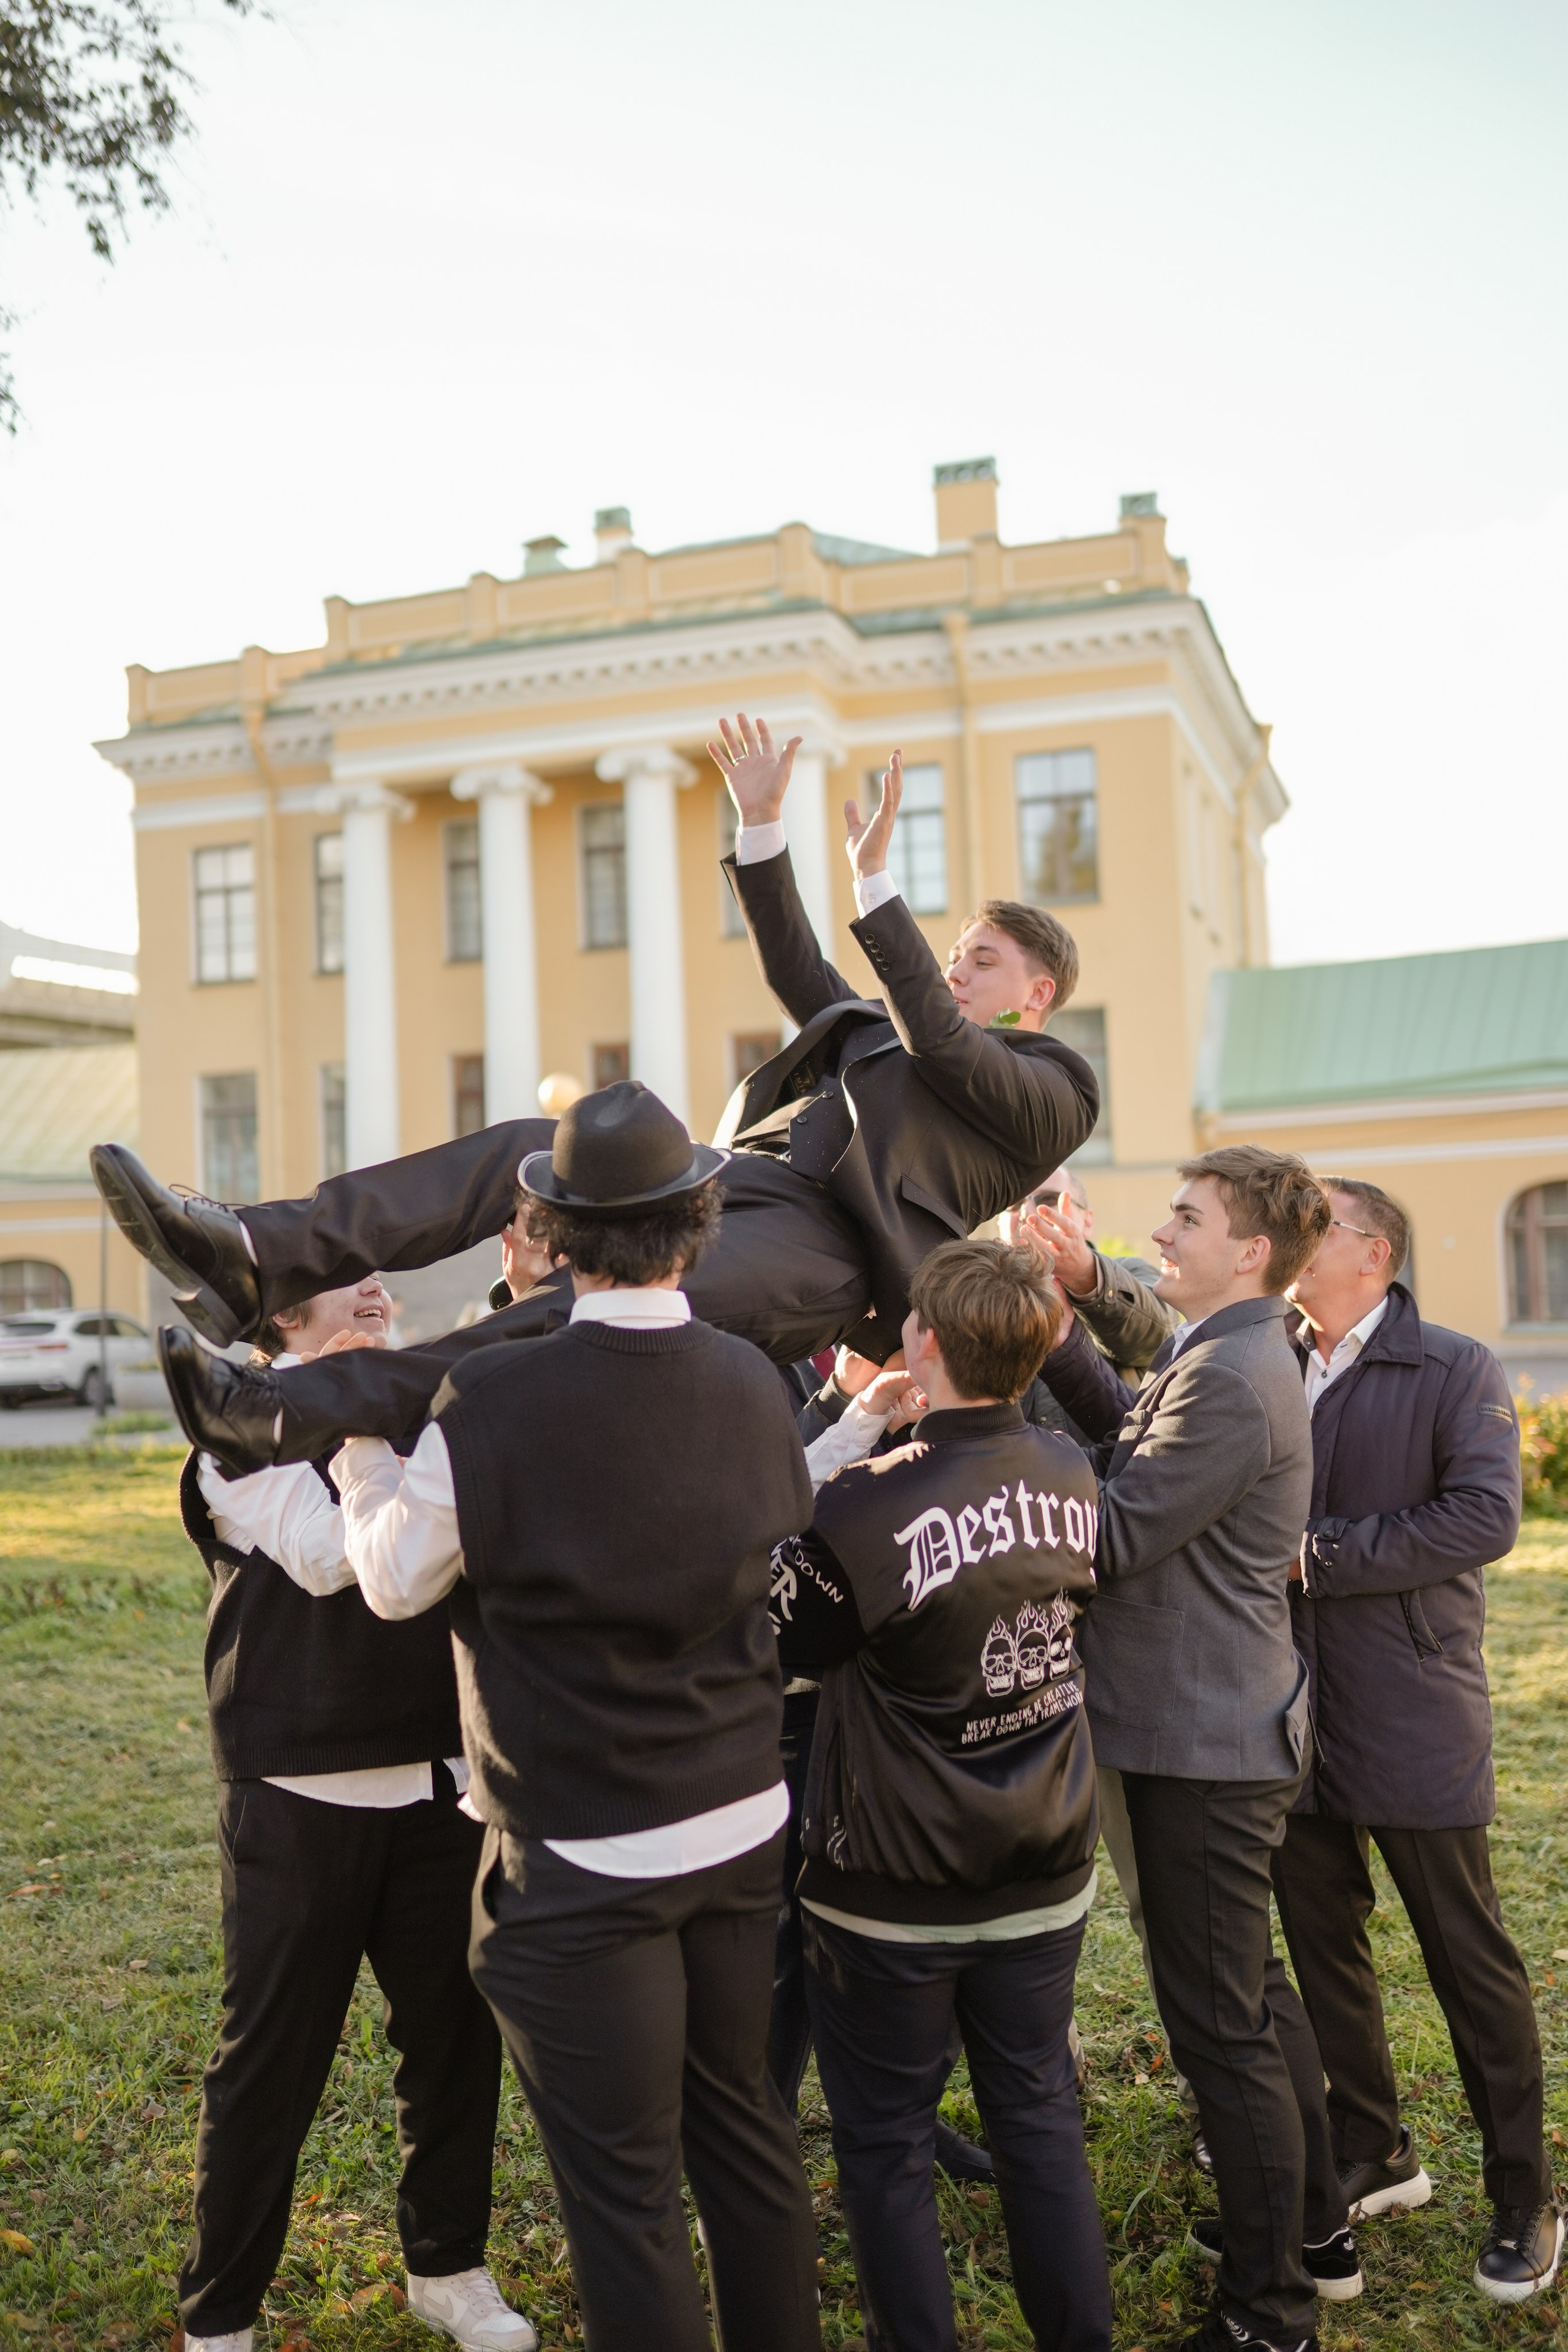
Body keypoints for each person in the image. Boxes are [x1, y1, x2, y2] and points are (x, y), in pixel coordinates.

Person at [91, 713, 1099, 1476]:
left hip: (830, 1251)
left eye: (983, 959)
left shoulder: (1057, 1087)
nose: (958, 971)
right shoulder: (889, 1037)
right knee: (538, 1148)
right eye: (958, 955)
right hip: (734, 1178)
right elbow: (804, 977)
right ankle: (253, 1255)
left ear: (1038, 992)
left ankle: (282, 1411)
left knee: (589, 1308)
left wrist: (875, 884)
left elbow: (946, 1039)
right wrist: (761, 829)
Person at [328, 1081, 821, 2352]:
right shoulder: (758, 1381)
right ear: (697, 1225)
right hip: (737, 1817)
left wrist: (357, 1454)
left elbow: (390, 1579)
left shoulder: (491, 1401)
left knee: (623, 2192)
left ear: (547, 1235)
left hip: (582, 1849)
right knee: (746, 2141)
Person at [175, 1275, 527, 2352]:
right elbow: (344, 1561)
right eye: (342, 1273)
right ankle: (221, 2314)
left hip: (438, 1787)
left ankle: (448, 2268)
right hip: (296, 1795)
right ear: (279, 1317)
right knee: (270, 2063)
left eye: (378, 1269)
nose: (375, 1285)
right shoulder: (234, 1438)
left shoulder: (427, 1410)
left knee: (455, 2047)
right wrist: (376, 1437)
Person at [772, 1238, 1112, 2352]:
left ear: (923, 1341)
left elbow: (785, 1637)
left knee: (883, 2143)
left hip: (893, 1884)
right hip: (1044, 1855)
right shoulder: (1071, 1470)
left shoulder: (866, 1507)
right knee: (1038, 2122)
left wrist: (855, 1433)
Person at [1039, 1146, 1352, 2352]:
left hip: (1200, 1742)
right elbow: (1133, 1443)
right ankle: (1310, 2231)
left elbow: (1115, 1533)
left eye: (1183, 1218)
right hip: (1209, 1724)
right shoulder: (1214, 1347)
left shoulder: (1228, 1373)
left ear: (1250, 1251)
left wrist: (980, 1459)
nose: (1157, 1234)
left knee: (1218, 2026)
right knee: (1249, 2001)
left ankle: (1268, 2316)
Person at [1271, 1178, 1559, 2303]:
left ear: (1374, 1255)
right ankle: (1375, 2147)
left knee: (1467, 1961)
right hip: (1287, 1716)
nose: (1292, 1245)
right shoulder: (1268, 1356)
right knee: (1324, 1947)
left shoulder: (1456, 1367)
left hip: (1412, 1711)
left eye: (1315, 1229)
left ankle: (1525, 2193)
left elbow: (1486, 1517)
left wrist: (1320, 1558)